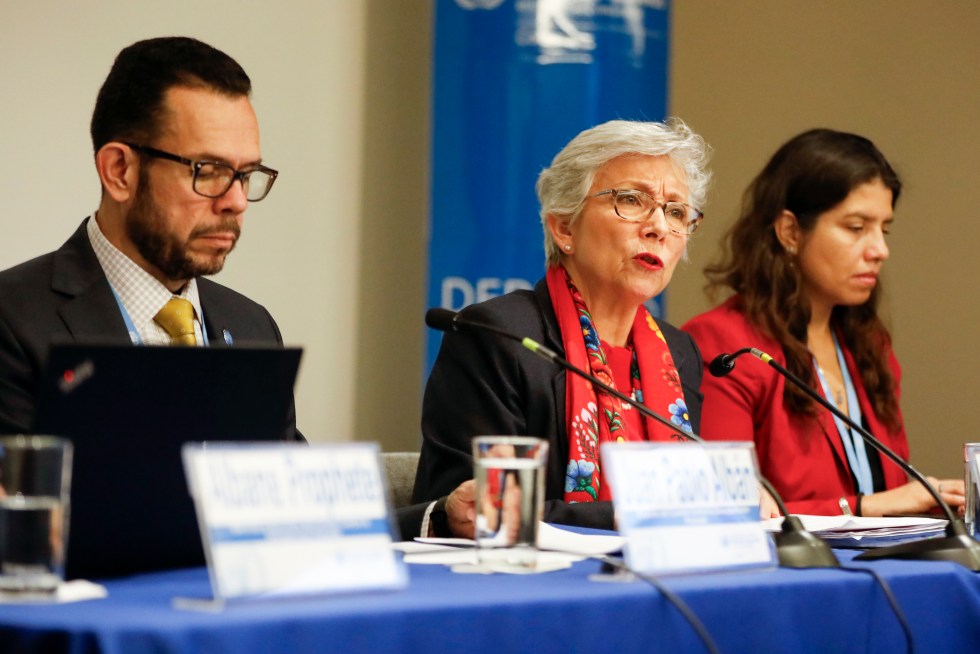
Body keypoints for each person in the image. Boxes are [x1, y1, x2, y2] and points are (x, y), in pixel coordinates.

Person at [410, 119, 710, 537]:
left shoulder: (680, 354)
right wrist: (629, 517)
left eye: (676, 211)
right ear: (564, 227)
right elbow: (470, 509)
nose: (659, 227)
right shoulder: (500, 336)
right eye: (631, 200)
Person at [0, 36, 298, 438]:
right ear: (120, 171)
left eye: (245, 175)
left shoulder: (253, 327)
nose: (237, 200)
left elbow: (281, 493)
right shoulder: (13, 321)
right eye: (207, 171)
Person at [683, 128, 964, 517]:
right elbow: (730, 510)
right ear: (790, 232)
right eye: (856, 228)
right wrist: (866, 507)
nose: (880, 250)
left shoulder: (868, 343)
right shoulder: (724, 343)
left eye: (884, 230)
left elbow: (896, 499)